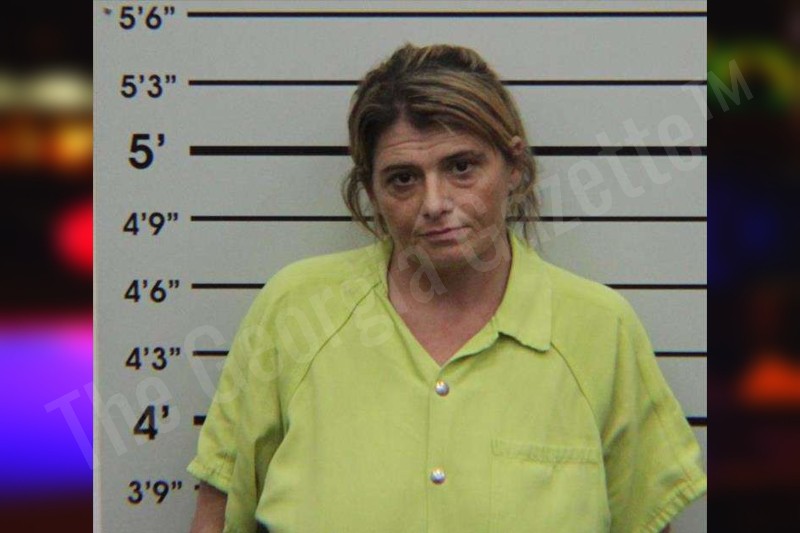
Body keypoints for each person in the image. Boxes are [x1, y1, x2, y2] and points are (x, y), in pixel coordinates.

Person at [188, 43, 705, 533]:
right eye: (403, 179)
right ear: (371, 191)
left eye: (461, 167)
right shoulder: (297, 312)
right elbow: (217, 516)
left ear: (514, 168)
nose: (434, 203)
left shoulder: (598, 329)